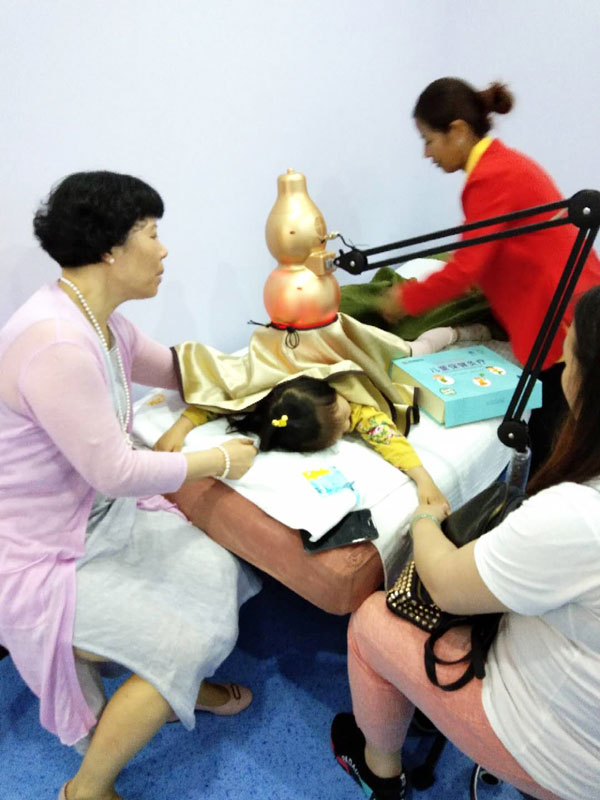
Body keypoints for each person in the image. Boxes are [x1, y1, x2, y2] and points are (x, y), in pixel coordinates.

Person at [0, 171, 262, 800]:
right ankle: (86, 787)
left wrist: (273, 358)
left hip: (97, 515)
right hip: (42, 548)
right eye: (151, 233)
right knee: (184, 638)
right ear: (111, 249)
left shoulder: (102, 321)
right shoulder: (57, 344)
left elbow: (177, 370)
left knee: (217, 568)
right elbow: (115, 471)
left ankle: (177, 682)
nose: (164, 250)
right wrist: (219, 459)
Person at [330, 284, 600, 800]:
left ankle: (379, 772)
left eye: (569, 360)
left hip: (563, 755)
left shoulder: (576, 515)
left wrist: (423, 520)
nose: (562, 368)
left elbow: (447, 585)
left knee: (369, 623)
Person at [380, 76, 600, 473]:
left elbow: (466, 268)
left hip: (559, 317)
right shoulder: (506, 164)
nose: (427, 153)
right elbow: (491, 252)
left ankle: (540, 498)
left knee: (552, 438)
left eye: (429, 140)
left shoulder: (491, 177)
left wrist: (404, 300)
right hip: (570, 302)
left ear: (458, 131)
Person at [154, 375, 448, 506]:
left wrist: (422, 478)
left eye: (347, 415)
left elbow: (386, 437)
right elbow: (223, 401)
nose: (353, 423)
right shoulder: (264, 402)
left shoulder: (346, 399)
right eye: (346, 426)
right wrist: (180, 428)